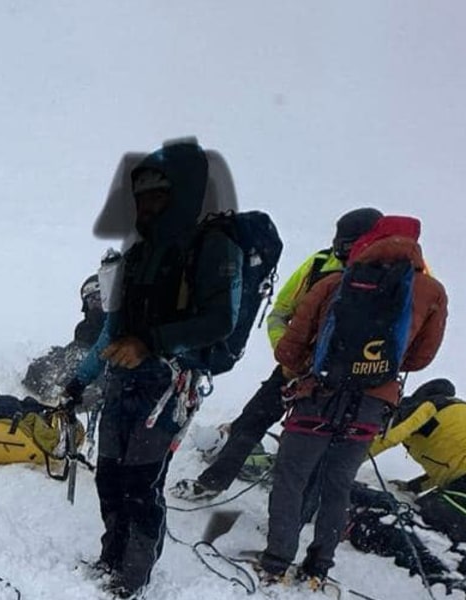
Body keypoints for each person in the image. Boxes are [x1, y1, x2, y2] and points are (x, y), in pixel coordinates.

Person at [62, 140, 244, 598]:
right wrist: (80, 380)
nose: (145, 203)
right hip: (122, 386)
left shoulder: (213, 247)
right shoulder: (140, 251)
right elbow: (112, 330)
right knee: (110, 477)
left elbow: (220, 320)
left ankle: (133, 576)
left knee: (142, 484)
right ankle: (112, 557)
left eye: (158, 193)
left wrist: (151, 344)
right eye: (140, 194)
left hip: (167, 387)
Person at [260, 215, 447, 588]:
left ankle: (276, 562)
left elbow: (290, 347)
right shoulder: (431, 292)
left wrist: (306, 368)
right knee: (338, 484)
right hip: (371, 405)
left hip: (317, 394)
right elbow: (420, 358)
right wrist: (378, 371)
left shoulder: (337, 281)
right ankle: (318, 568)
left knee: (292, 478)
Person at [172, 208, 383, 501]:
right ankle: (214, 482)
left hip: (351, 381)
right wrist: (289, 355)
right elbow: (280, 313)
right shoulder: (321, 264)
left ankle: (304, 512)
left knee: (319, 444)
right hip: (298, 369)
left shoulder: (403, 277)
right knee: (252, 421)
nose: (343, 251)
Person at [343, 378, 466, 589]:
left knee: (423, 517)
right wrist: (413, 487)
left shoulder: (429, 406)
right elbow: (448, 467)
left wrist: (343, 462)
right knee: (443, 518)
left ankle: (440, 574)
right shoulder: (455, 416)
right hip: (458, 484)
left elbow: (390, 437)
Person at [22, 273, 105, 408]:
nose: (95, 303)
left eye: (99, 298)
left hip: (102, 372)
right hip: (83, 367)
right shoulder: (83, 328)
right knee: (53, 359)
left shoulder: (114, 324)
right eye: (91, 300)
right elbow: (75, 350)